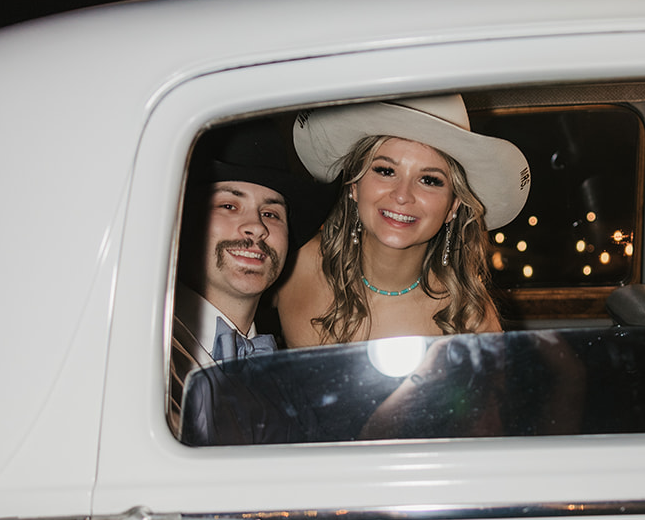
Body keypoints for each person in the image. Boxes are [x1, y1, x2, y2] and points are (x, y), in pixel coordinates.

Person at [277, 93, 530, 347]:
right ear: (354, 184)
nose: (402, 195)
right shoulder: (291, 262)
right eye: (386, 171)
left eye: (429, 180)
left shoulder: (469, 316)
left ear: (453, 205)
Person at [169, 120, 327, 424]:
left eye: (271, 213)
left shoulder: (287, 384)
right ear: (183, 222)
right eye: (229, 205)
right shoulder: (147, 353)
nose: (256, 226)